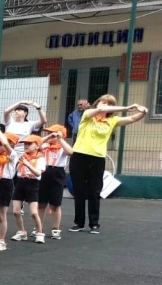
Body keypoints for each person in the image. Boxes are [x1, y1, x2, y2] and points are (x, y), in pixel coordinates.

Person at [69, 95, 147, 233]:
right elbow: (100, 110)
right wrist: (126, 107)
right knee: (79, 191)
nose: (104, 105)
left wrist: (143, 111)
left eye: (108, 104)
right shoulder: (87, 115)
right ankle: (79, 223)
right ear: (97, 103)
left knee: (94, 192)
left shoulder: (112, 121)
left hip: (97, 159)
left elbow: (132, 118)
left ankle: (94, 224)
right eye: (101, 102)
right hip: (79, 157)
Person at [38, 125, 73, 240]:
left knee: (55, 204)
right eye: (49, 133)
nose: (52, 135)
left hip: (57, 173)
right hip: (44, 172)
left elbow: (70, 152)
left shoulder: (62, 147)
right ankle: (39, 228)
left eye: (54, 133)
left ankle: (56, 228)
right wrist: (48, 137)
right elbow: (36, 144)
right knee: (41, 203)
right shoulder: (45, 145)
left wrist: (60, 139)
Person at [11, 135, 47, 243]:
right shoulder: (22, 157)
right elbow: (15, 170)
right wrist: (18, 163)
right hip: (20, 182)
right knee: (16, 211)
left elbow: (38, 173)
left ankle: (40, 233)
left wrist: (27, 164)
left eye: (29, 144)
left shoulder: (40, 159)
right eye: (25, 144)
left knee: (33, 212)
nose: (25, 146)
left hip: (32, 183)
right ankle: (21, 232)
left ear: (37, 146)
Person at [0, 129, 18, 251]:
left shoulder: (13, 154)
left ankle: (1, 240)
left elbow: (5, 144)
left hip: (6, 183)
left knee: (2, 214)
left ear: (11, 144)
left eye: (0, 144)